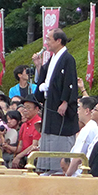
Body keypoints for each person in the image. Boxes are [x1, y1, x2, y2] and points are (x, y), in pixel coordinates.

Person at [33, 28, 79, 172]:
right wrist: (39, 65)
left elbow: (70, 81)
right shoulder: (53, 58)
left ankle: (58, 168)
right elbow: (46, 78)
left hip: (60, 104)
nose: (46, 43)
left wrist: (65, 101)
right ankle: (46, 166)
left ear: (58, 41)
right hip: (50, 103)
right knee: (48, 133)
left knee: (59, 135)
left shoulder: (68, 59)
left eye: (48, 39)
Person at [66, 96, 98, 177]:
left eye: (79, 108)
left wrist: (68, 174)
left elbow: (78, 157)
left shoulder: (88, 128)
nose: (77, 112)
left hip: (79, 174)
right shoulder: (93, 126)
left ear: (87, 111)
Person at [10, 95, 41, 168]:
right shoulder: (24, 125)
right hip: (23, 157)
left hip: (32, 159)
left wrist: (19, 156)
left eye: (28, 108)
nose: (25, 110)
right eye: (24, 107)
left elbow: (34, 145)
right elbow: (20, 146)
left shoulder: (38, 123)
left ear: (36, 109)